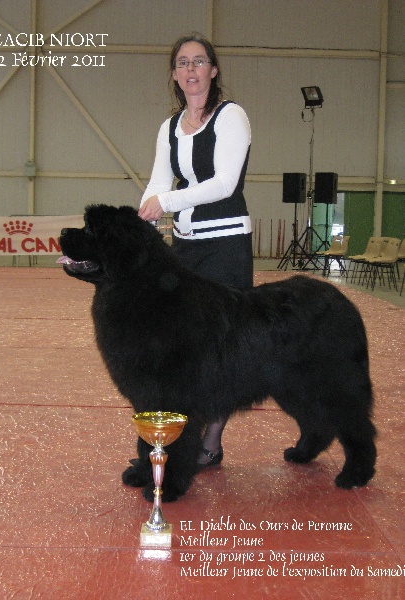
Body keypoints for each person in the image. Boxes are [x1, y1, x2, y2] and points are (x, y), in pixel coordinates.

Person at [138, 33, 253, 468]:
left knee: (223, 349)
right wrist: (145, 210)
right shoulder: (168, 128)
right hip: (183, 250)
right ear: (174, 74)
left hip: (225, 246)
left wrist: (165, 203)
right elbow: (157, 182)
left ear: (213, 70)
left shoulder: (231, 117)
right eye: (183, 63)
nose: (191, 70)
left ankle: (212, 441)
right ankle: (181, 439)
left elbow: (224, 183)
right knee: (184, 349)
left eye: (199, 62)